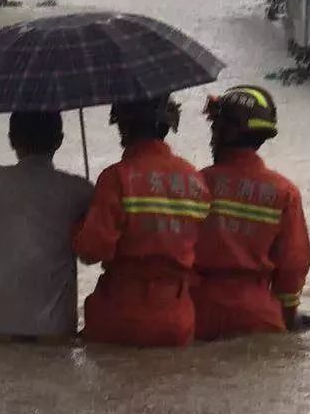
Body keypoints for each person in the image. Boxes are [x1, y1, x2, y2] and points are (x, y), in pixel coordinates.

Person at [74, 96, 210, 347]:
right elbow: (202, 249)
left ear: (124, 127)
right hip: (176, 317)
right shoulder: (195, 178)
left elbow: (91, 252)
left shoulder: (116, 177)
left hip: (119, 315)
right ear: (167, 126)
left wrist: (81, 225)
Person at [0, 110, 92, 344]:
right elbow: (92, 253)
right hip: (54, 332)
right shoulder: (79, 190)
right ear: (59, 141)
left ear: (11, 139)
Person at [194, 85, 310, 338]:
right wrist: (288, 316)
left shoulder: (195, 183)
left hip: (198, 313)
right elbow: (293, 264)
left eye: (215, 127)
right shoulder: (284, 192)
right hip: (260, 317)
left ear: (221, 131)